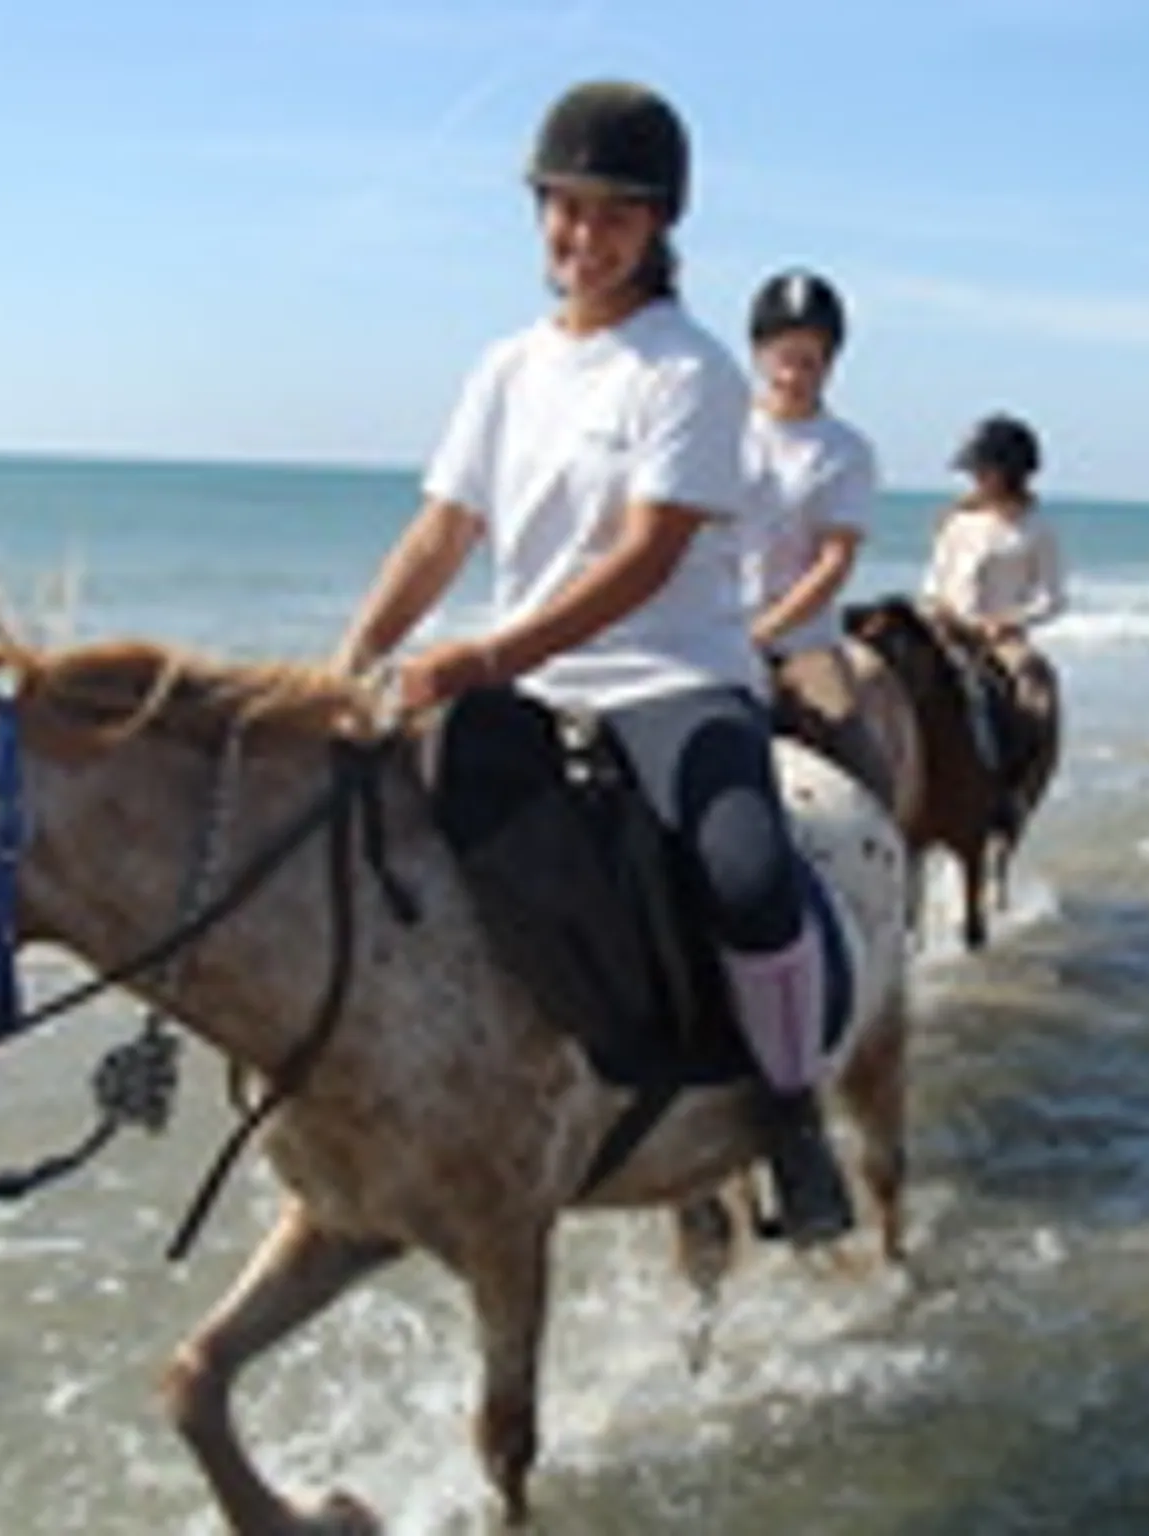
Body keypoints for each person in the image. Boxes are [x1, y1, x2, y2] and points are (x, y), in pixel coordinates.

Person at [332, 81, 853, 1247]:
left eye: (612, 214)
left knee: (746, 870)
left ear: (660, 224)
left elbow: (643, 555)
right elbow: (441, 532)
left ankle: (790, 1118)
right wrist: (354, 655)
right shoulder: (505, 367)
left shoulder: (689, 371)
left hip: (672, 678)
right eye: (562, 209)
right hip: (530, 687)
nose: (582, 236)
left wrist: (479, 655)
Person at [741, 268, 893, 806]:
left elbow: (833, 563)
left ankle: (888, 876)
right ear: (760, 353)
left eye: (810, 360)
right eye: (785, 355)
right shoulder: (720, 427)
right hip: (710, 627)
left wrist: (764, 632)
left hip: (799, 642)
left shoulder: (846, 451)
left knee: (861, 765)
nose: (794, 373)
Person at [920, 413, 1066, 825]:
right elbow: (934, 580)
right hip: (947, 627)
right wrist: (935, 609)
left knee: (1034, 691)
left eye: (984, 470)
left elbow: (1053, 598)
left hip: (1000, 636)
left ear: (1011, 473)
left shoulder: (1038, 529)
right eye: (975, 471)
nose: (977, 479)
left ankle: (1016, 787)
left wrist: (1009, 620)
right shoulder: (958, 523)